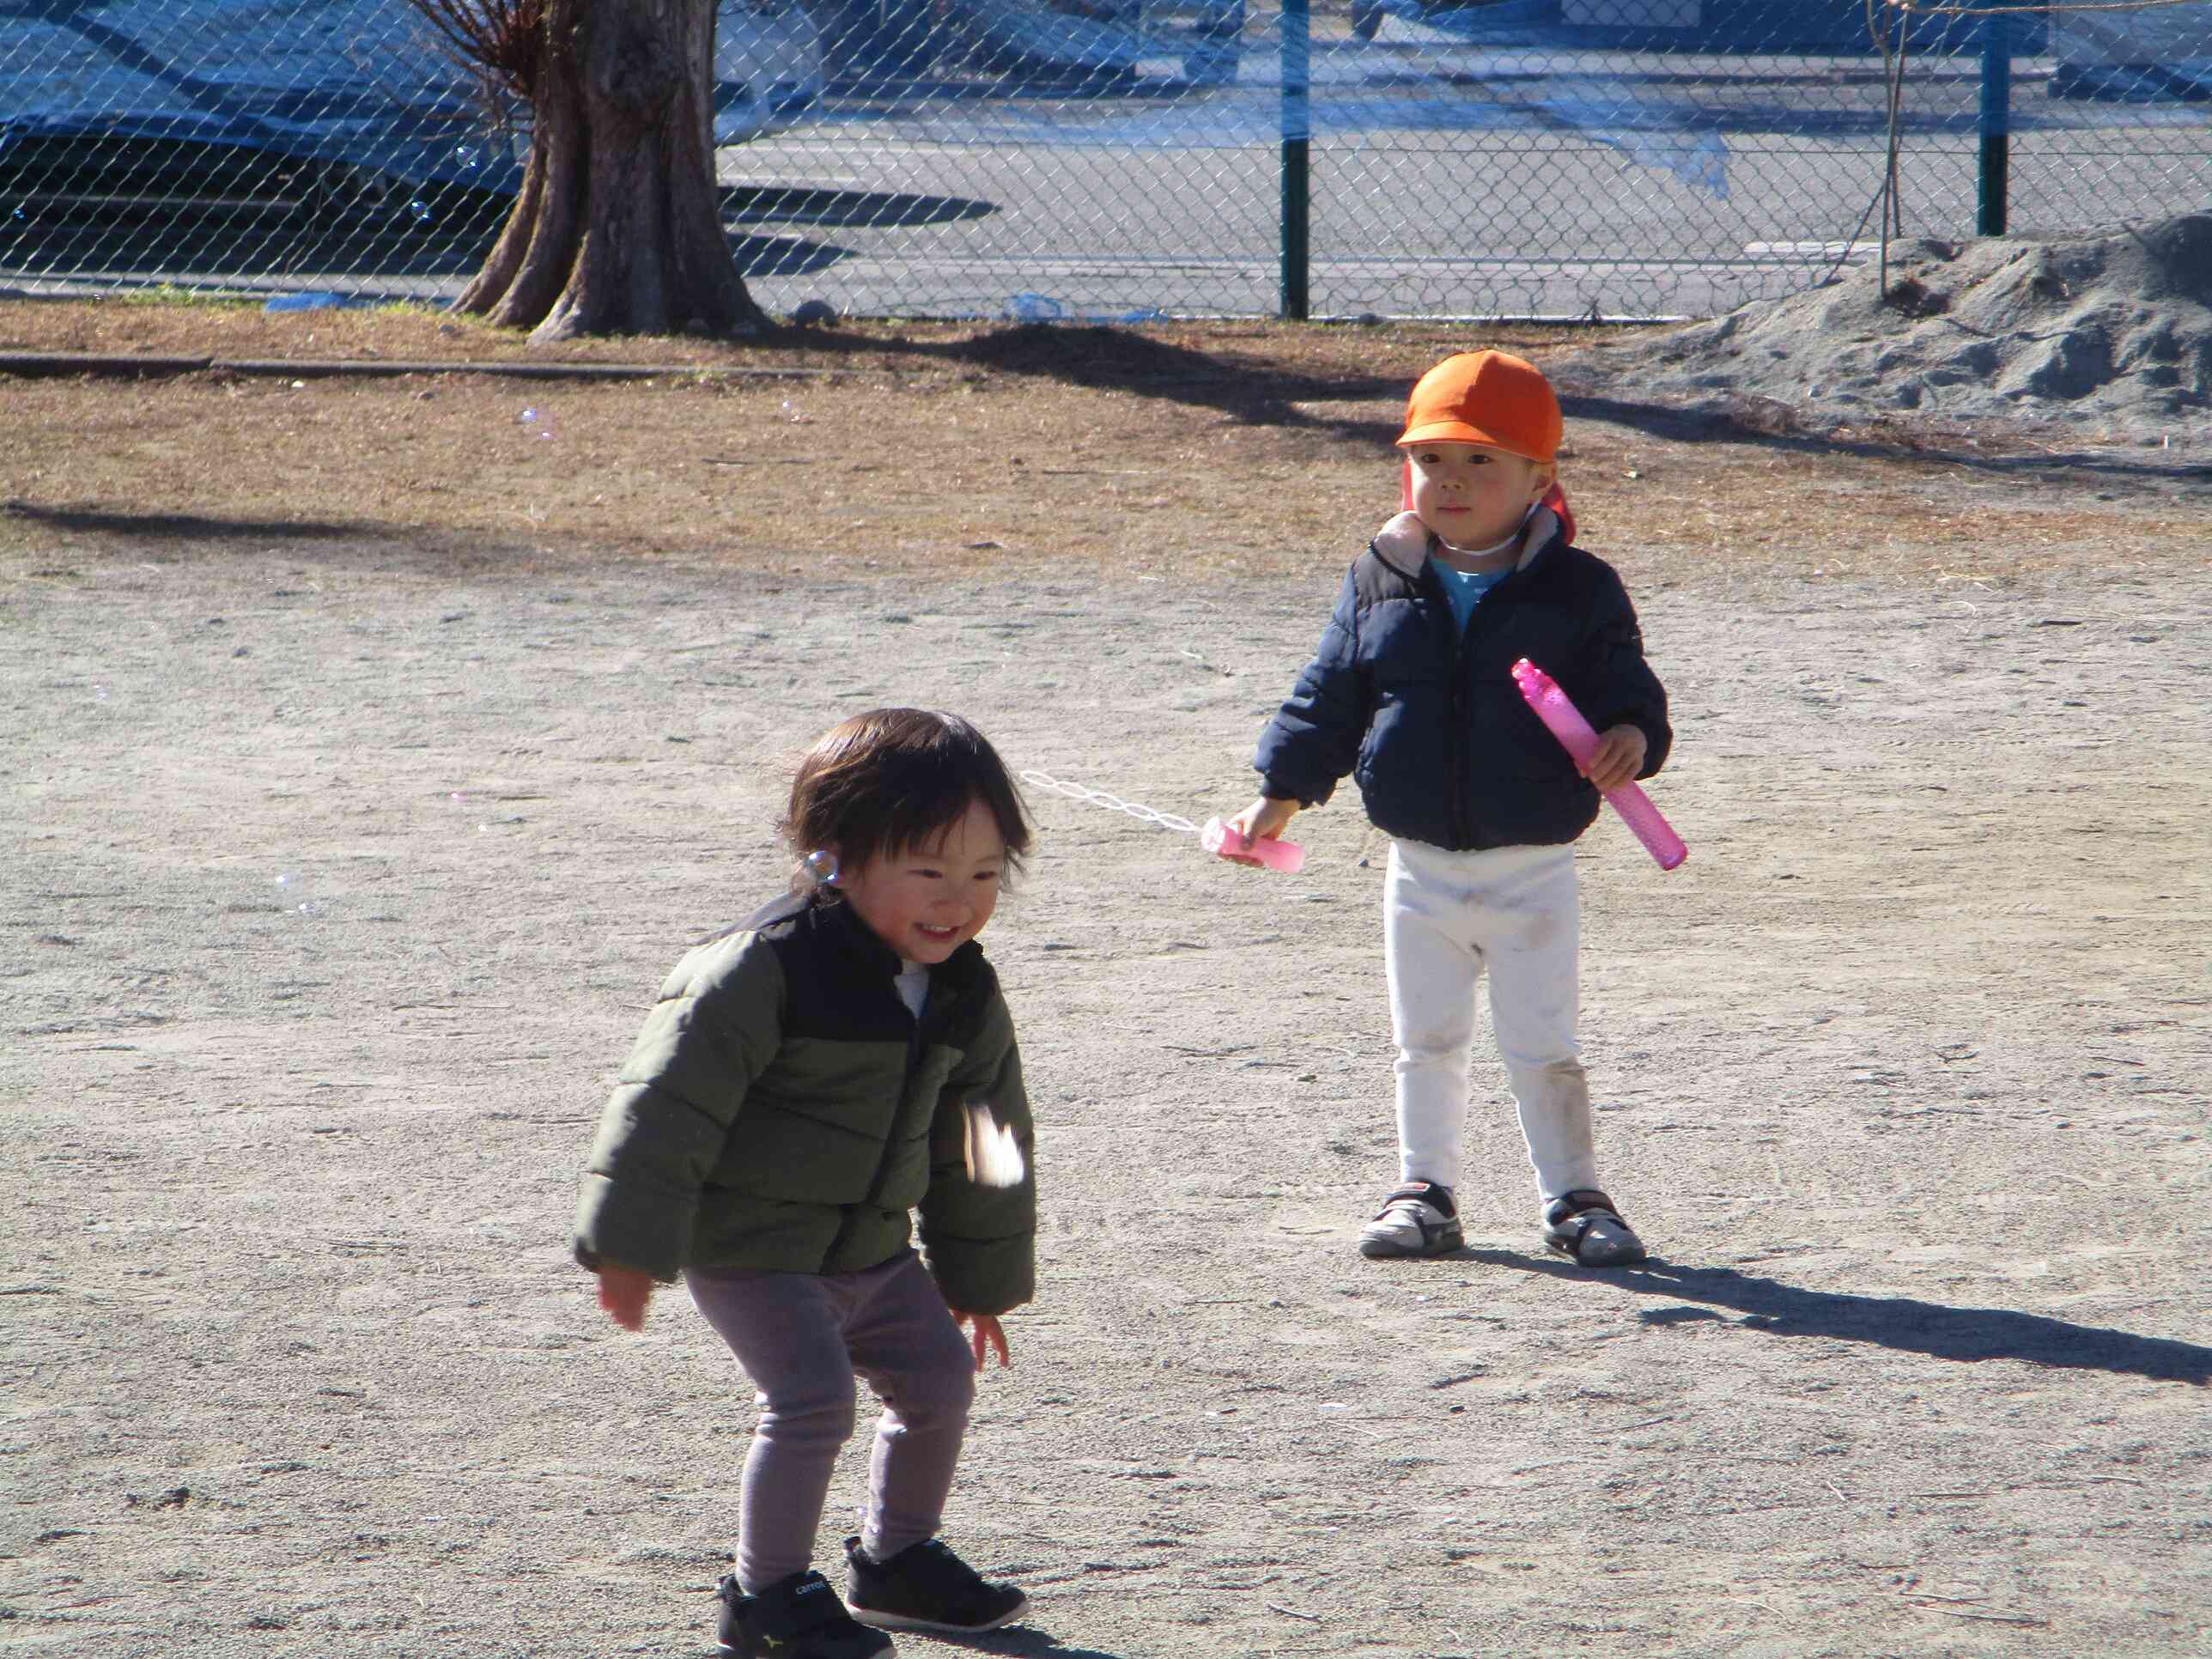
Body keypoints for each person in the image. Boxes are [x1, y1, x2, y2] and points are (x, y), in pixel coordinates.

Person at [574, 708, 1038, 1659]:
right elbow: (664, 1112)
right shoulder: (759, 971)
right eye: (928, 872)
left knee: (939, 1379)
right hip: (751, 1252)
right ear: (832, 858)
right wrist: (629, 1248)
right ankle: (766, 1595)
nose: (958, 901)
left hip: (874, 1248)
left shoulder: (961, 989)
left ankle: (895, 1559)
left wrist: (977, 1280)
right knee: (812, 1399)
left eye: (984, 876)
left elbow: (985, 1135)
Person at [1217, 349, 1671, 1269]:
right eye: (1431, 459)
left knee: (1541, 1046)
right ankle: (1422, 1192)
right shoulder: (1377, 577)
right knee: (1423, 1041)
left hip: (1531, 869)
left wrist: (1630, 734)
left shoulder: (1580, 589)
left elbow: (1629, 691)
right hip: (1416, 869)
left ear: (1538, 478)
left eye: (1481, 463)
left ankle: (1574, 1199)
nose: (1450, 482)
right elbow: (1328, 699)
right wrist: (1280, 793)